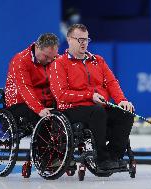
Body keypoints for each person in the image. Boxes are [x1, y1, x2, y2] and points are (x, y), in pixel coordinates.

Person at [49, 24, 134, 170]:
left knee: (125, 113)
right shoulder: (59, 64)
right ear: (69, 40)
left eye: (86, 39)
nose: (83, 43)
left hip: (97, 107)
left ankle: (113, 156)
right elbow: (60, 94)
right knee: (98, 112)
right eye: (79, 39)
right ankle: (101, 159)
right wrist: (89, 95)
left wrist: (122, 100)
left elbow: (112, 82)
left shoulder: (98, 60)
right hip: (71, 109)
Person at [5, 33, 59, 127]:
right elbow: (24, 88)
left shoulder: (54, 59)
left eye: (53, 57)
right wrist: (39, 109)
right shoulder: (20, 60)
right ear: (37, 47)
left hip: (45, 100)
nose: (50, 61)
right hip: (20, 102)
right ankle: (43, 142)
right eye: (46, 57)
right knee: (41, 117)